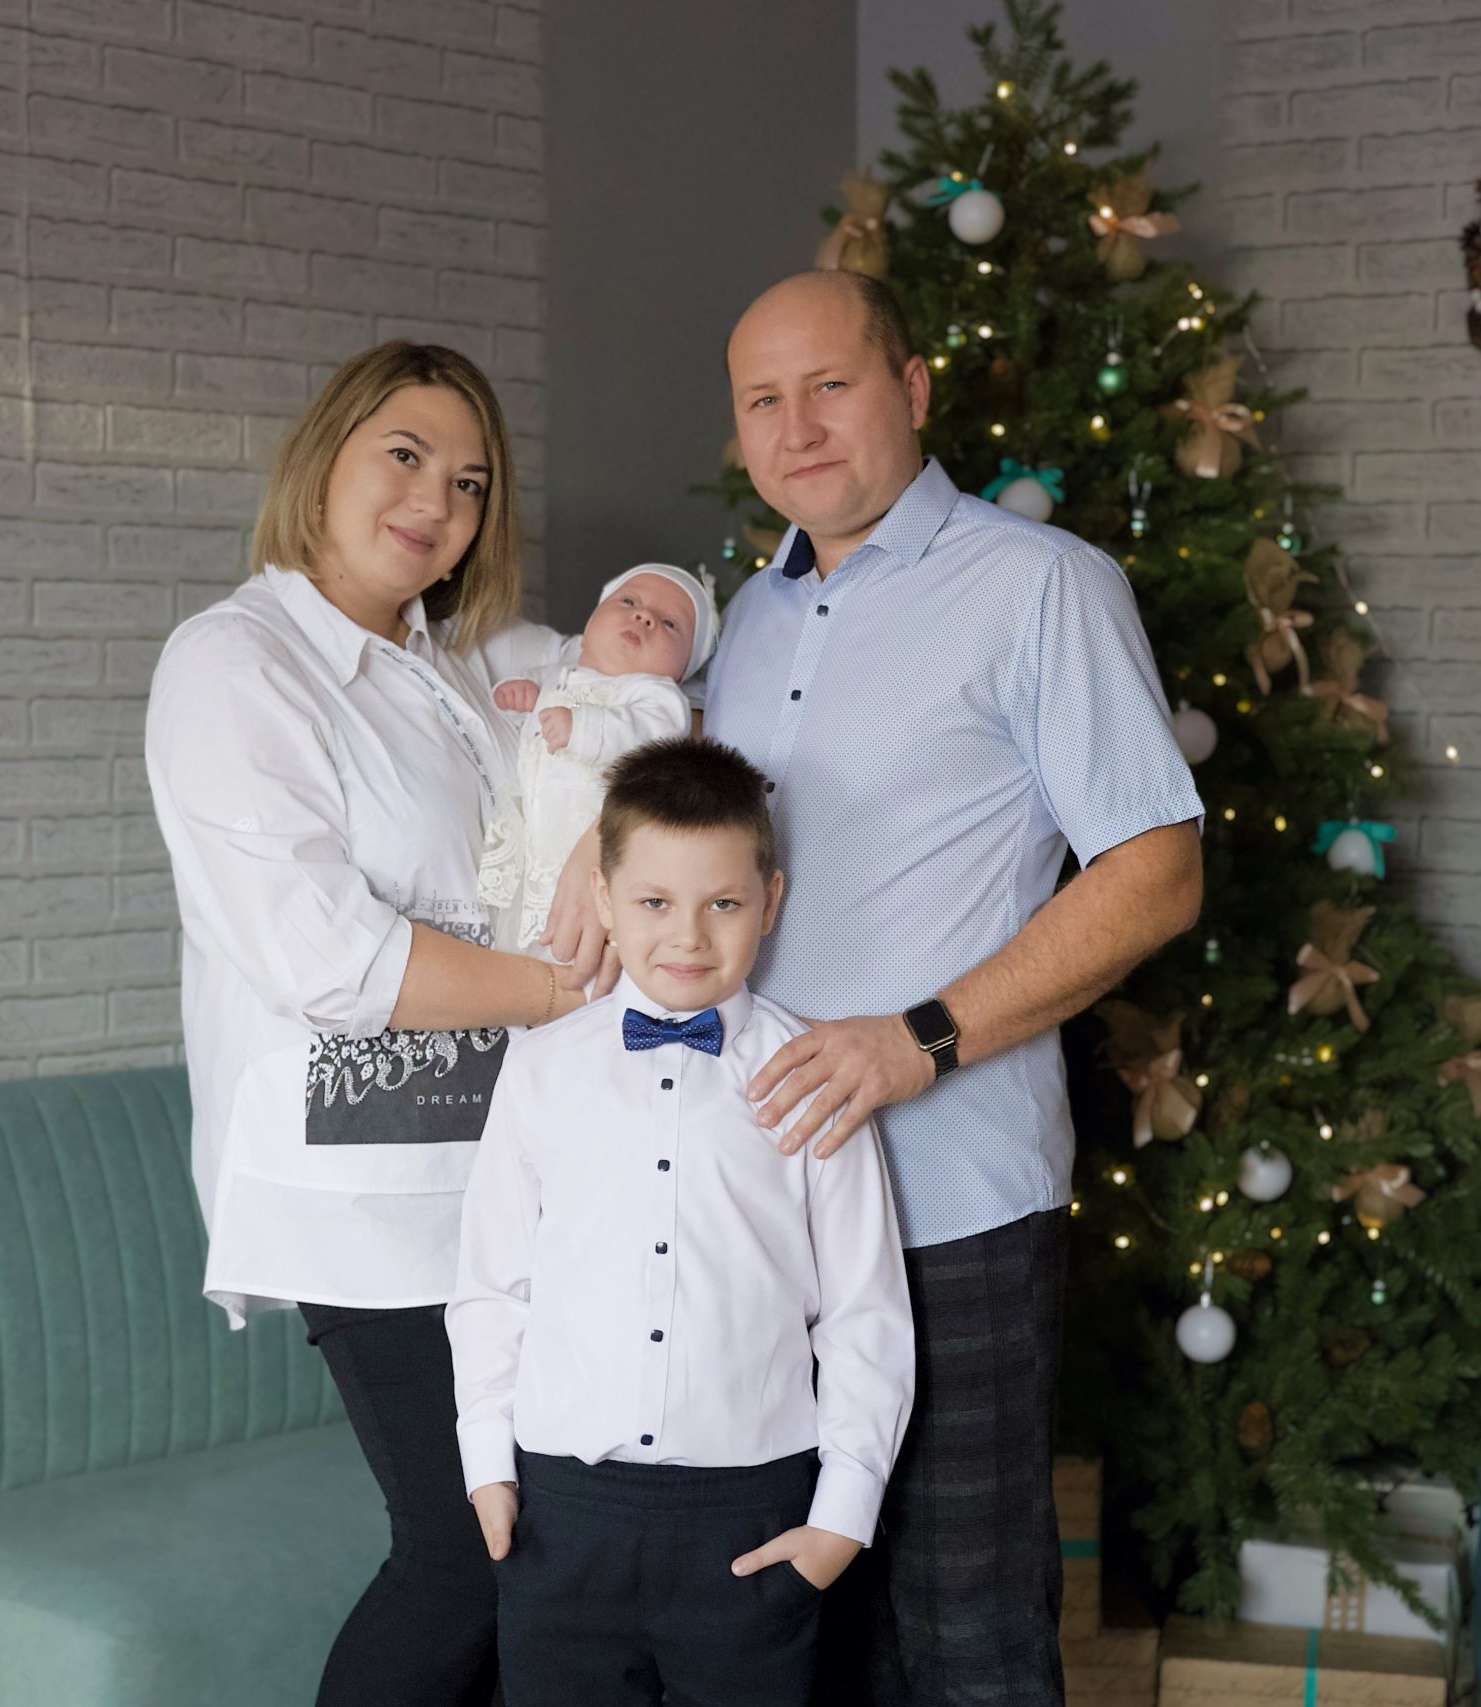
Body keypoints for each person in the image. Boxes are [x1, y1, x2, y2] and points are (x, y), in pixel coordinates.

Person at [701, 270, 1208, 1705]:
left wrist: (922, 1037)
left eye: (831, 384)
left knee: (964, 1638)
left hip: (948, 1206)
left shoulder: (1039, 585)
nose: (798, 427)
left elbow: (1157, 869)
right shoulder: (744, 617)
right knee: (797, 1633)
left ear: (913, 387)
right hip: (762, 1210)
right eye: (762, 399)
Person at [145, 341, 596, 1707]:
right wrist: (560, 986)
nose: (435, 501)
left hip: (492, 1170)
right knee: (465, 1552)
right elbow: (322, 953)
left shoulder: (457, 668)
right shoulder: (237, 662)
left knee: (538, 1545)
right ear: (324, 456)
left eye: (469, 481)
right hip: (362, 1183)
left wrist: (604, 823)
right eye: (405, 455)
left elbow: (650, 647)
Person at [449, 738, 914, 1707]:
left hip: (751, 1513)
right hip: (561, 1510)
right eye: (655, 902)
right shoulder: (540, 1071)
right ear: (605, 898)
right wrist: (488, 1466)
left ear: (770, 902)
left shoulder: (815, 1075)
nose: (689, 937)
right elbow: (493, 1285)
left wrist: (842, 1517)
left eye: (723, 904)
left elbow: (864, 1309)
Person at [477, 564, 718, 952]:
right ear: (590, 622)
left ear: (682, 669)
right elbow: (522, 708)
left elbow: (652, 738)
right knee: (524, 935)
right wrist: (517, 691)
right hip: (535, 845)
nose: (644, 616)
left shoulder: (657, 696)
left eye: (670, 623)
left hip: (596, 850)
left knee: (593, 943)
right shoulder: (555, 674)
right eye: (629, 602)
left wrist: (583, 727)